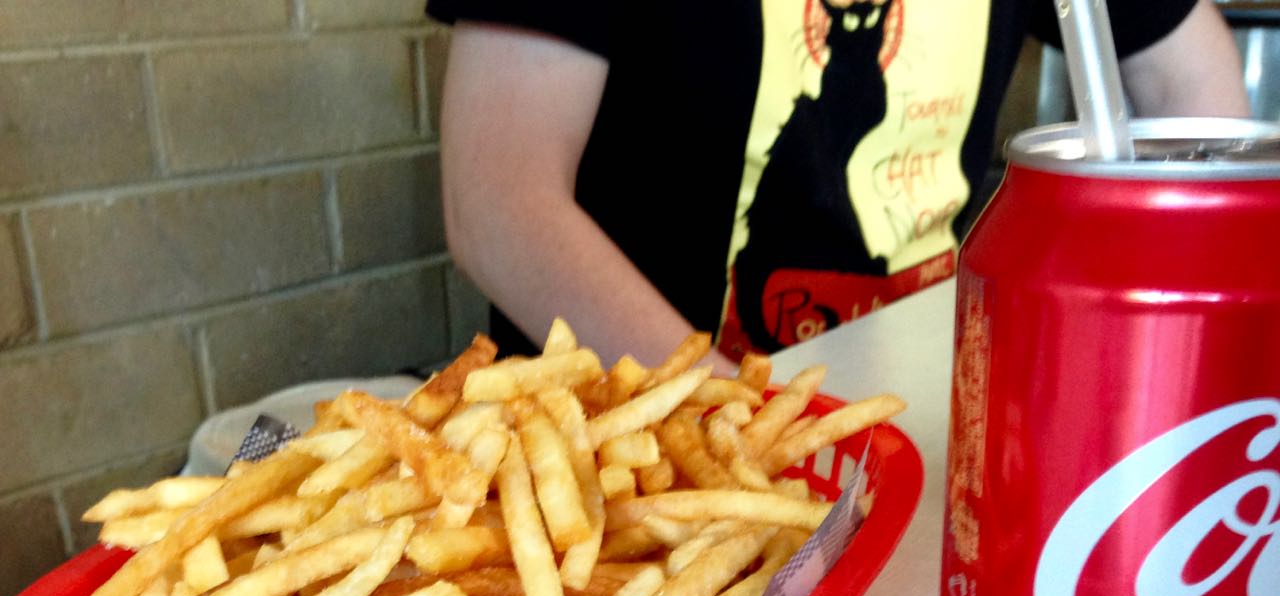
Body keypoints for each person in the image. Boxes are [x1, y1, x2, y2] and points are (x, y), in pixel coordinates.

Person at [425, 0, 1249, 368]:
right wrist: (751, 443)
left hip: (920, 438)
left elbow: (1190, 86)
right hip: (632, 476)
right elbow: (498, 197)